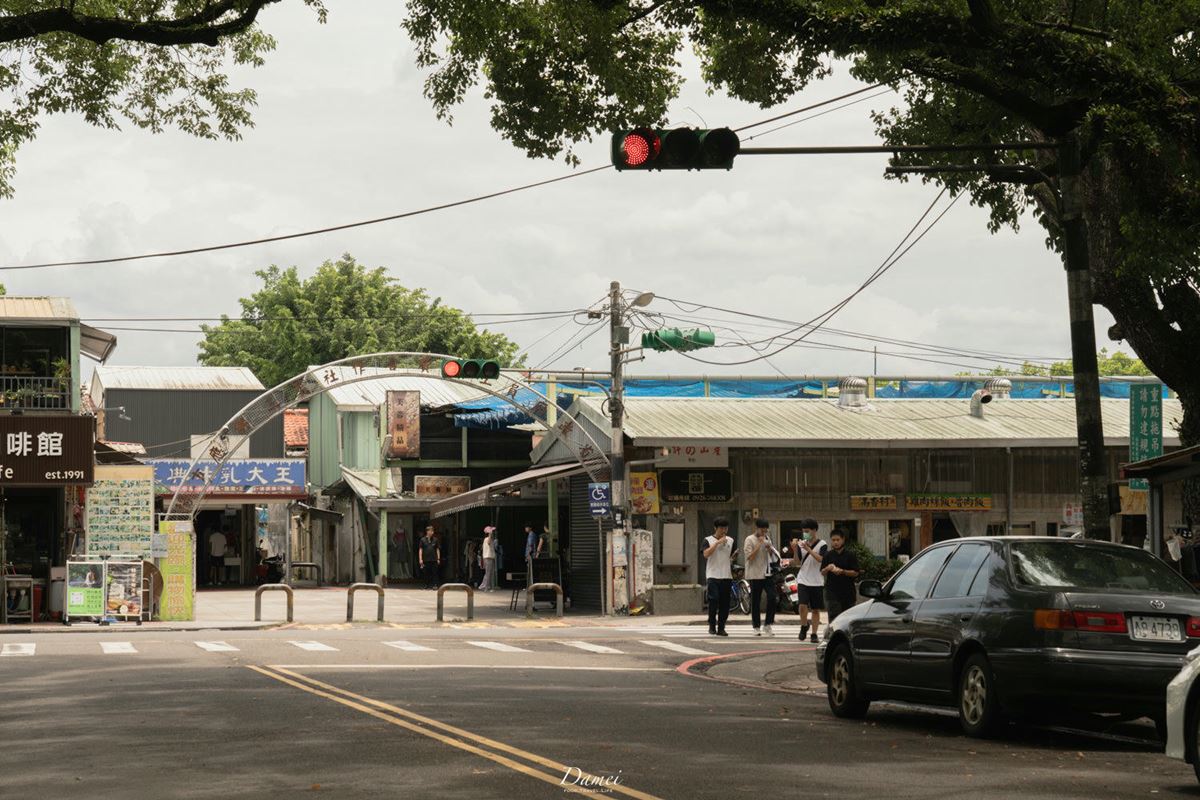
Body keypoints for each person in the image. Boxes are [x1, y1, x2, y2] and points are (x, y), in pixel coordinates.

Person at [791, 518, 827, 643]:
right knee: (802, 605)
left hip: (817, 580)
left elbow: (821, 559)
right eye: (803, 531)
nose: (805, 533)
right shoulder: (801, 544)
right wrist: (795, 549)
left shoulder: (822, 544)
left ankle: (814, 633)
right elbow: (796, 562)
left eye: (807, 531)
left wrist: (809, 549)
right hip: (803, 579)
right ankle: (803, 625)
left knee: (816, 609)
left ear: (814, 530)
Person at [743, 518, 777, 636]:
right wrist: (759, 544)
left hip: (767, 573)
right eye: (762, 530)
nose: (764, 533)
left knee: (772, 597)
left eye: (766, 530)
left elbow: (772, 557)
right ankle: (756, 626)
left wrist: (769, 549)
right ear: (756, 528)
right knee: (756, 601)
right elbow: (749, 557)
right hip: (755, 574)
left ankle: (768, 624)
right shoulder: (749, 539)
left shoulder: (767, 539)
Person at [703, 517, 735, 636]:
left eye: (726, 528)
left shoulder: (731, 540)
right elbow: (706, 554)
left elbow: (730, 557)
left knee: (725, 603)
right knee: (714, 600)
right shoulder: (708, 540)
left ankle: (721, 627)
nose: (724, 530)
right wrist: (717, 543)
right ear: (715, 528)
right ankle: (712, 625)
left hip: (726, 575)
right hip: (713, 575)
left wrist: (733, 557)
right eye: (721, 528)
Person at [821, 528, 860, 622]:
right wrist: (828, 568)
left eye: (838, 540)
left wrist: (843, 571)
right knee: (834, 618)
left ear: (843, 540)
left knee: (847, 620)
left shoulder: (850, 555)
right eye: (833, 540)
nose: (835, 542)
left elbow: (856, 572)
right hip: (832, 592)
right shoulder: (828, 555)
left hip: (848, 593)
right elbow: (822, 572)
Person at [480, 526, 497, 591]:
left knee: (491, 572)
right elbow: (489, 542)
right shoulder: (487, 539)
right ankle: (485, 587)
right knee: (488, 572)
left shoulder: (490, 539)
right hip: (488, 557)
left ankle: (490, 587)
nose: (493, 534)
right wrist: (490, 534)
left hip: (490, 557)